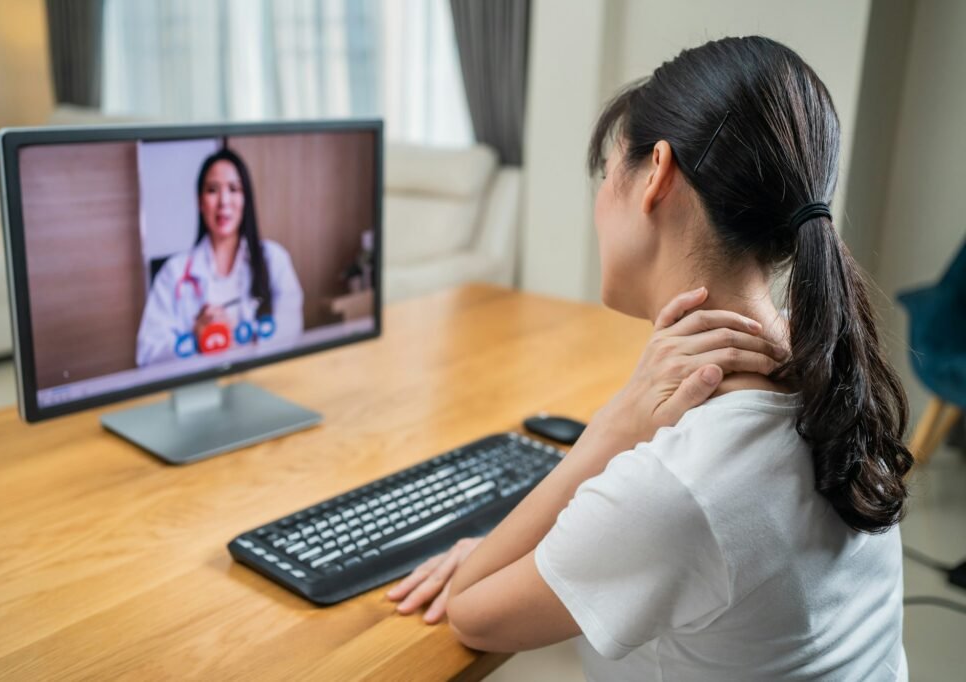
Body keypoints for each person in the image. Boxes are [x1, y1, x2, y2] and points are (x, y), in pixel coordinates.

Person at [387, 36, 911, 680]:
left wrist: (612, 429)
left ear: (656, 172)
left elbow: (471, 611)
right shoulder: (825, 369)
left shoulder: (682, 484)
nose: (600, 202)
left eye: (607, 171)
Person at [136, 148, 304, 366]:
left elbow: (292, 328)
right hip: (198, 392)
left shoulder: (274, 259)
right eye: (212, 190)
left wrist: (239, 335)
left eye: (234, 189)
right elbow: (147, 352)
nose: (224, 201)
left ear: (246, 199)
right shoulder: (174, 272)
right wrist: (196, 339)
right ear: (200, 202)